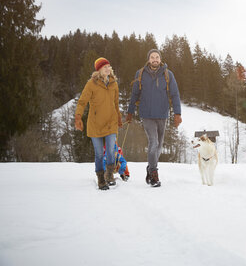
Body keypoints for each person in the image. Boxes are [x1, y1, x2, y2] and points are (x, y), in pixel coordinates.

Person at [126, 49, 182, 187]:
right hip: (146, 115)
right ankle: (154, 174)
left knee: (159, 146)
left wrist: (177, 113)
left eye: (157, 57)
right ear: (148, 59)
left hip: (162, 114)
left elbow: (175, 94)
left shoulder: (168, 74)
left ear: (160, 59)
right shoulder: (140, 74)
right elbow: (134, 95)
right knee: (154, 142)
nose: (155, 59)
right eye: (152, 57)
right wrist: (130, 112)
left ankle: (150, 168)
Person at [75, 57, 122, 190]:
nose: (108, 69)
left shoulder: (114, 83)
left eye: (109, 66)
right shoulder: (92, 84)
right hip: (95, 124)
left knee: (111, 151)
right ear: (99, 70)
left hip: (111, 123)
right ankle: (101, 177)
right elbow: (82, 101)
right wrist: (78, 116)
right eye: (104, 67)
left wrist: (118, 117)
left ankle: (110, 174)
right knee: (99, 154)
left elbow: (116, 103)